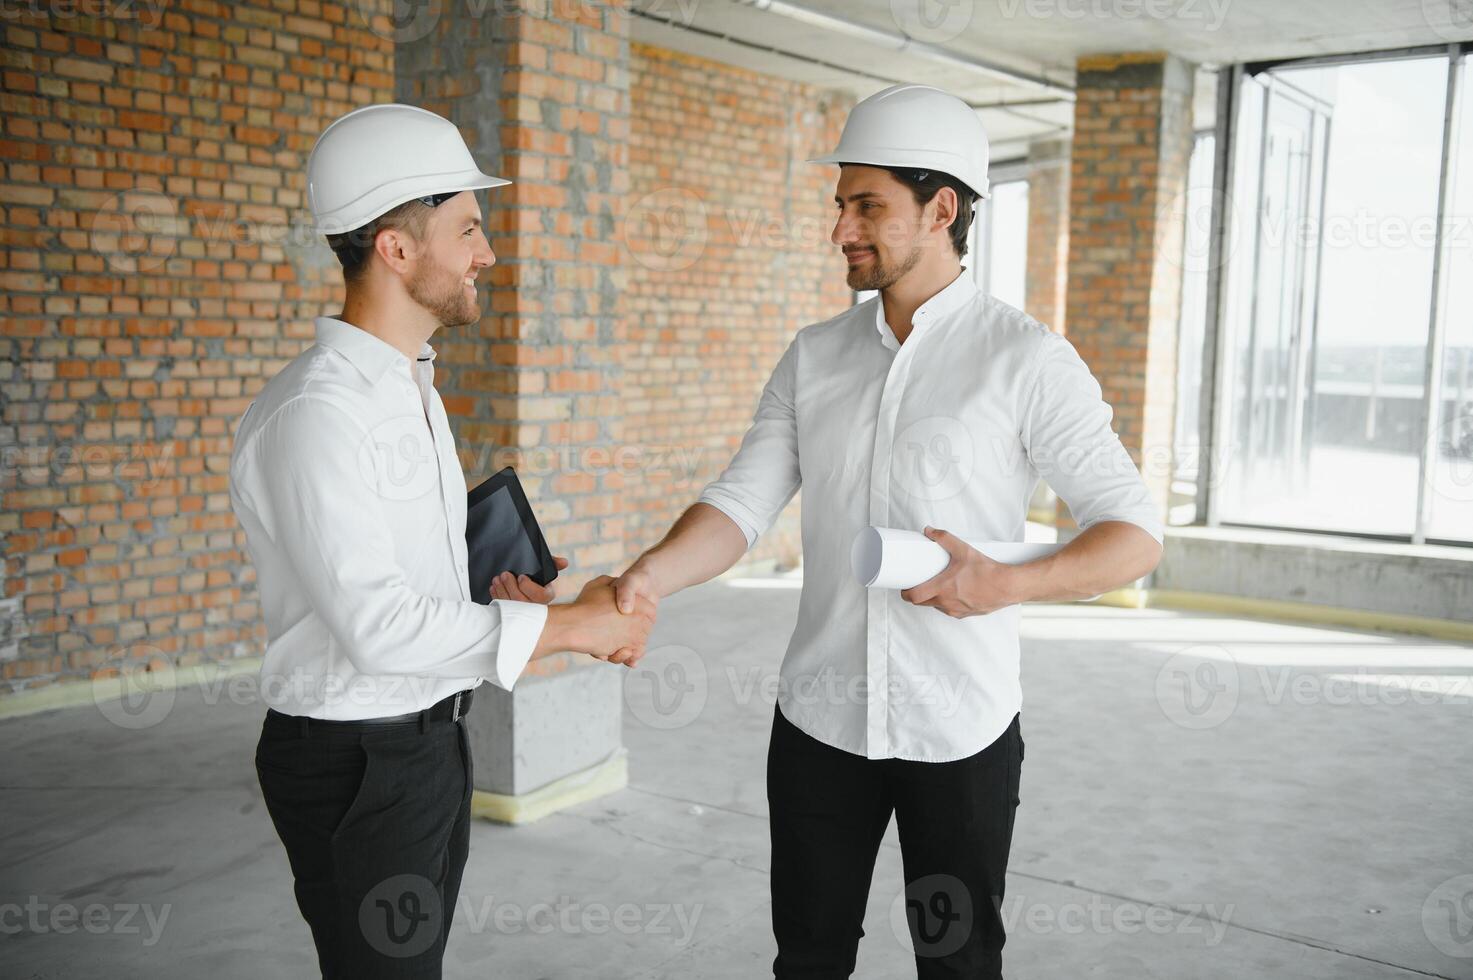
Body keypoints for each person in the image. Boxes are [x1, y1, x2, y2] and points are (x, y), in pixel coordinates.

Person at [611, 83, 1164, 979]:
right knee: (809, 956)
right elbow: (741, 503)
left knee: (956, 963)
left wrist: (1005, 582)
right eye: (840, 206)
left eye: (867, 205)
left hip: (958, 730)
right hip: (819, 723)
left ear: (941, 208)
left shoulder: (1024, 360)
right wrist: (650, 575)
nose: (840, 229)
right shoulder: (815, 355)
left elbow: (1132, 534)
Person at [228, 103, 655, 979]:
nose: (486, 253)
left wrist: (498, 589)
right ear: (395, 248)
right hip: (358, 761)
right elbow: (377, 628)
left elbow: (399, 573)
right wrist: (573, 627)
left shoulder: (411, 385)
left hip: (424, 740)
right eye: (467, 229)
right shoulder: (320, 414)